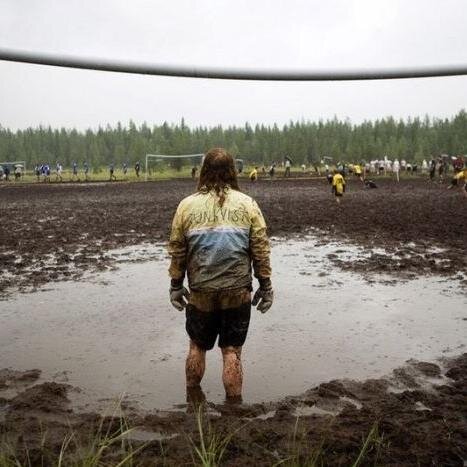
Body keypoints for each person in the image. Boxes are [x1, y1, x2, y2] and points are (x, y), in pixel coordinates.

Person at [167, 148, 273, 403]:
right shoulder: (248, 204)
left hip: (201, 290)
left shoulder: (186, 206)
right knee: (232, 351)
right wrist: (266, 285)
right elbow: (260, 248)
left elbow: (177, 248)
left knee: (196, 346)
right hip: (237, 290)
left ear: (204, 171)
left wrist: (175, 285)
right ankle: (234, 409)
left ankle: (192, 401)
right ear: (232, 171)